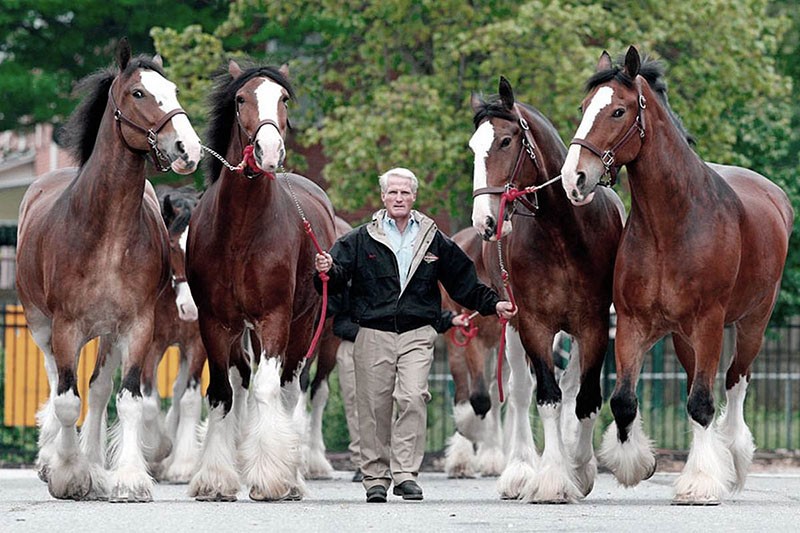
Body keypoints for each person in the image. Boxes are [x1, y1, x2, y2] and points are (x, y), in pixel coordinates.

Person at [315, 167, 516, 503]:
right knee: (374, 407)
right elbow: (335, 280)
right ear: (383, 197)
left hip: (416, 332)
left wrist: (493, 303)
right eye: (393, 192)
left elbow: (463, 283)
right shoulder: (359, 238)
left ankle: (405, 474)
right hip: (373, 332)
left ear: (414, 197)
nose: (399, 198)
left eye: (405, 193)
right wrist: (326, 270)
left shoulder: (434, 239)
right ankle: (376, 477)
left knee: (411, 398)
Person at [331, 283, 469, 484]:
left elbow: (417, 306)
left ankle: (398, 466)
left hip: (395, 341)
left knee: (401, 401)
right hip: (353, 342)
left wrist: (449, 319)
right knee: (360, 407)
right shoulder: (351, 259)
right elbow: (330, 300)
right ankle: (365, 464)